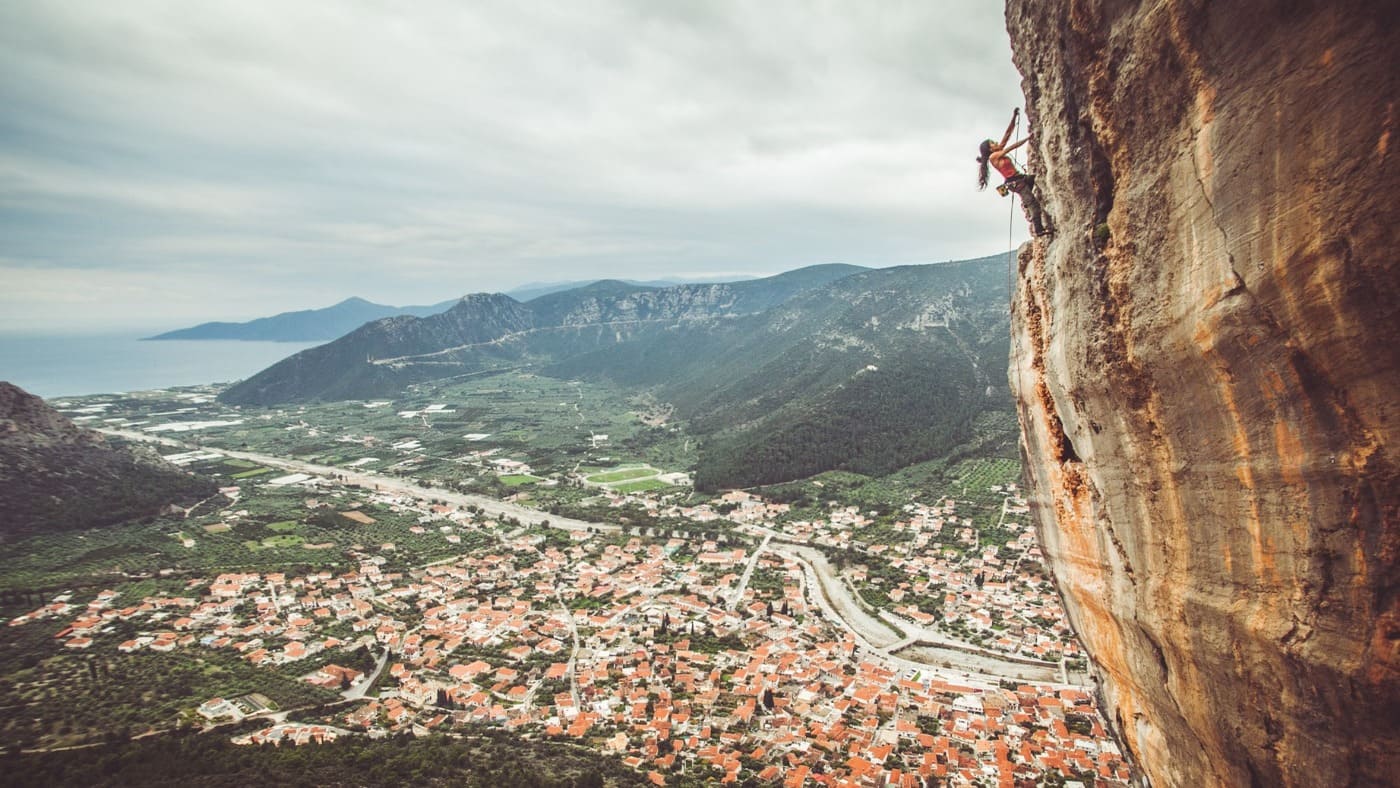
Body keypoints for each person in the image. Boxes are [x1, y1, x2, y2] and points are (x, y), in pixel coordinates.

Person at [978, 108, 1051, 236]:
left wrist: (1014, 118)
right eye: (993, 143)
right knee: (1034, 205)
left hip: (1020, 179)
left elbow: (1007, 135)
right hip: (1016, 183)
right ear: (990, 149)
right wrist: (1027, 139)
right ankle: (1039, 230)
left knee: (1033, 179)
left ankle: (1026, 201)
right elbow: (1010, 148)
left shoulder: (997, 151)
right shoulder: (993, 157)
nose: (996, 143)